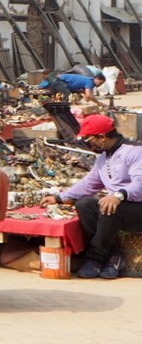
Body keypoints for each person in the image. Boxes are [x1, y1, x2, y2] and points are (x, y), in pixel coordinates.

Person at [55, 113, 142, 279]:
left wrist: (119, 195)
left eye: (88, 139)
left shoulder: (135, 151)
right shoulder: (103, 157)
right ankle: (113, 254)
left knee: (111, 208)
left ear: (102, 137)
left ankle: (95, 258)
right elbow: (89, 184)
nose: (88, 144)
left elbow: (140, 185)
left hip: (137, 207)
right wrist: (59, 197)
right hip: (118, 206)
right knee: (84, 204)